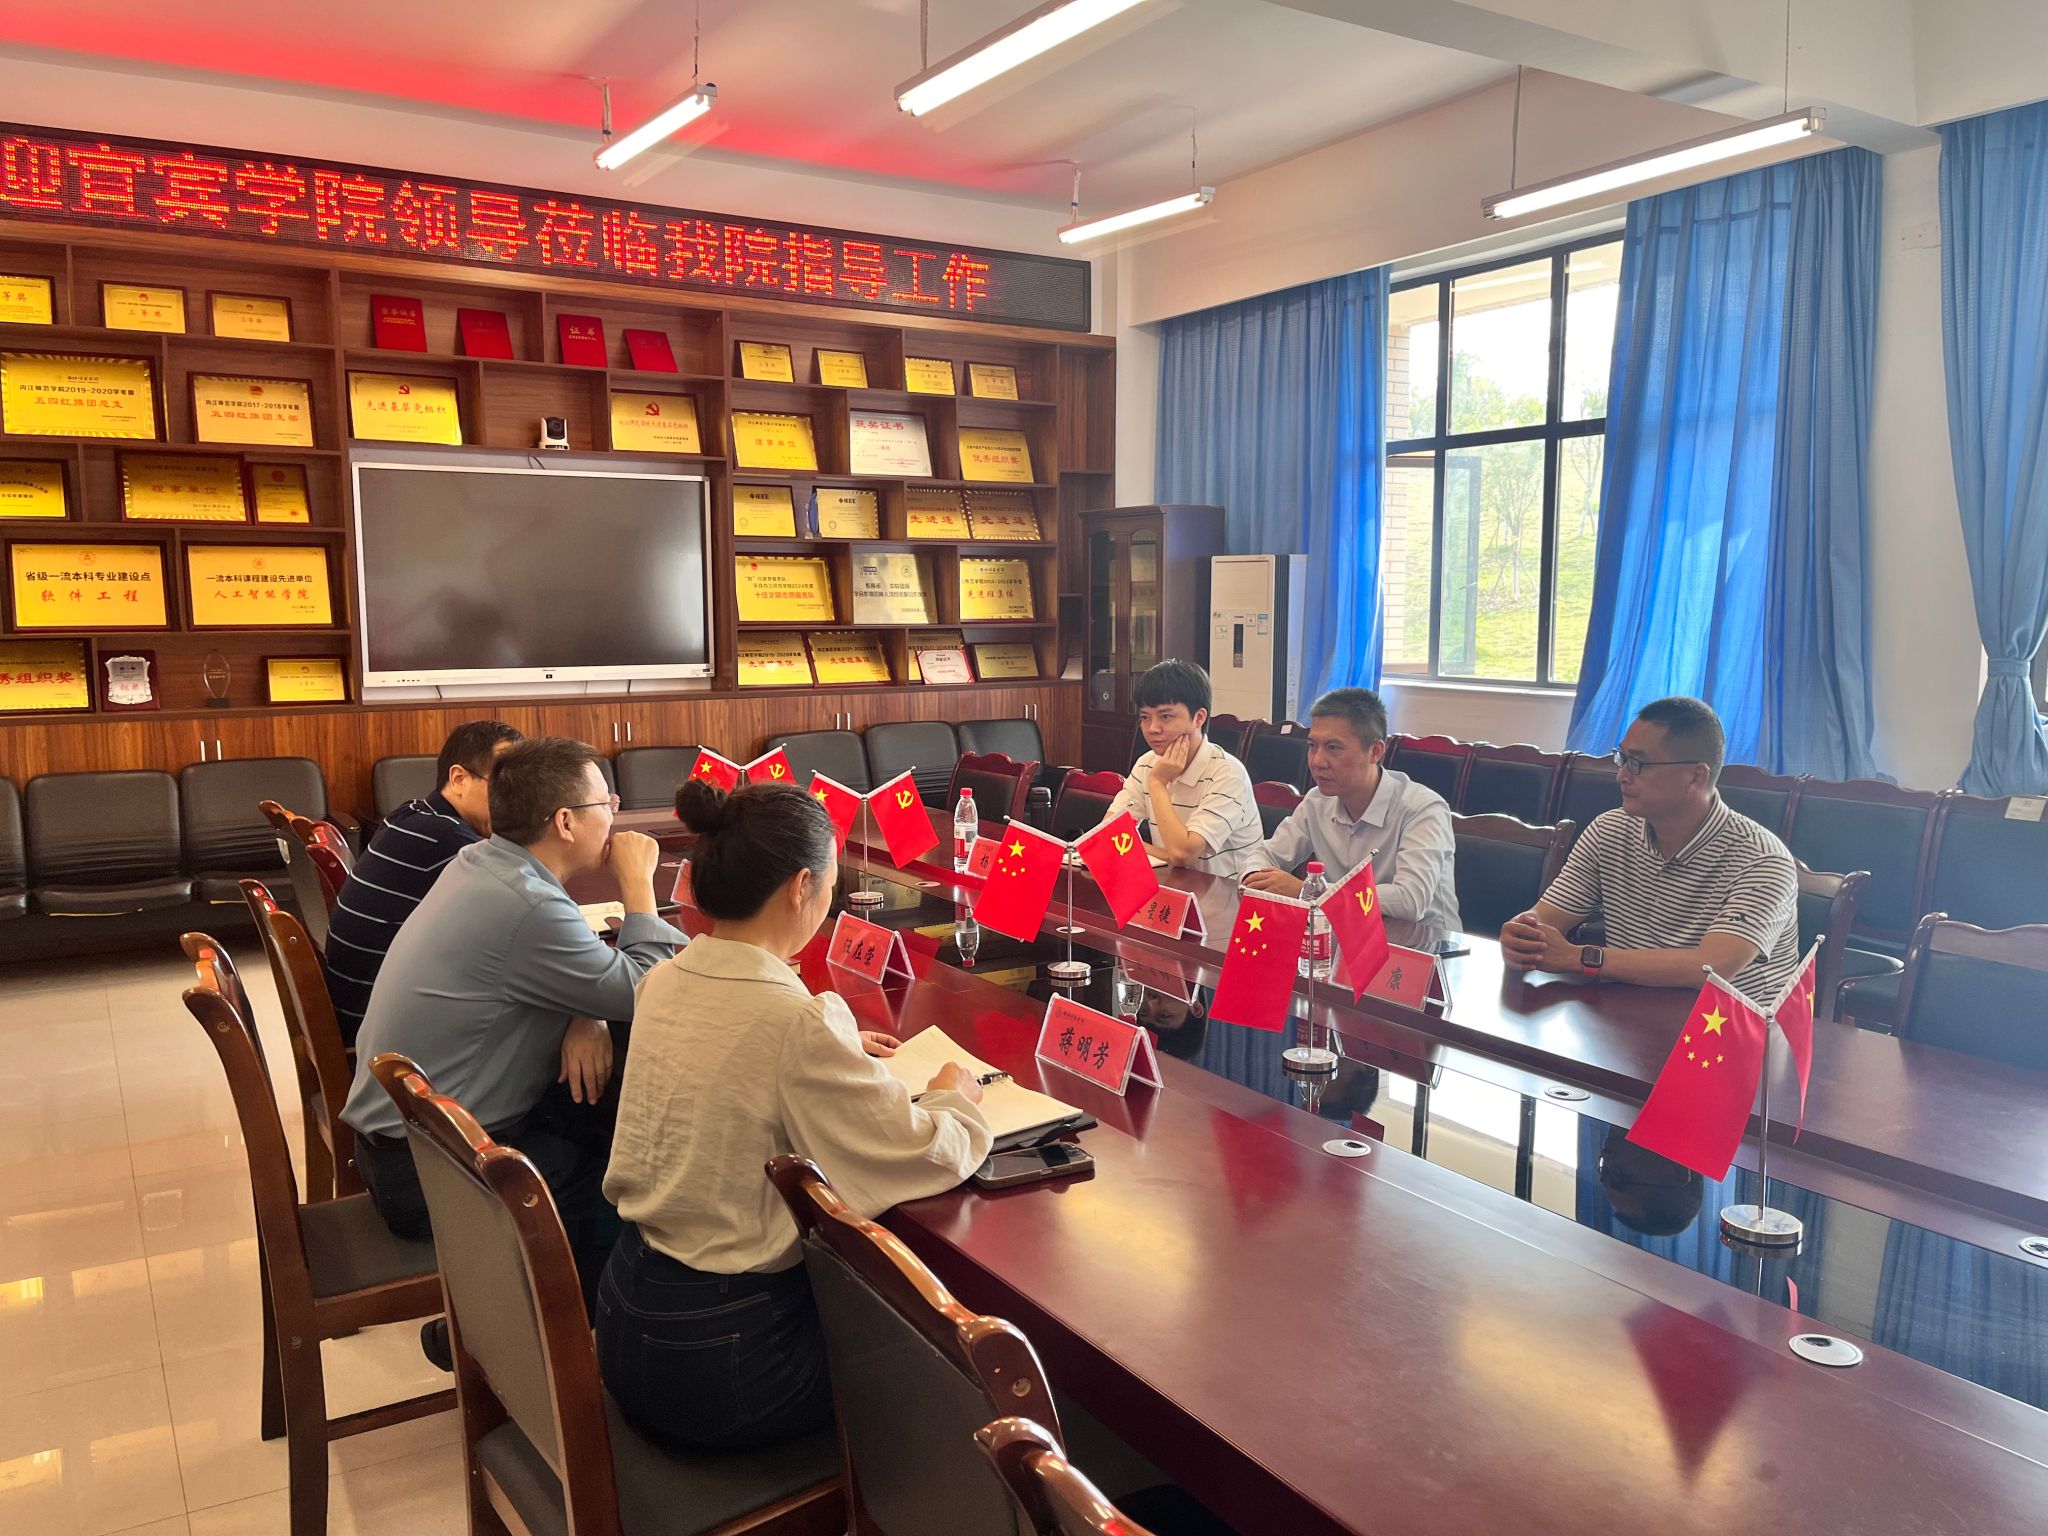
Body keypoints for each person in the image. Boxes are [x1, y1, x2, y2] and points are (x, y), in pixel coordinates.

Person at [598, 778, 991, 1453]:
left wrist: (832, 1048)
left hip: (626, 1311)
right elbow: (923, 1151)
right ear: (801, 886)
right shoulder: (794, 1020)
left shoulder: (662, 978)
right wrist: (955, 1095)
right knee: (958, 1381)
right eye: (832, 883)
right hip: (725, 1354)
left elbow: (741, 1053)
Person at [341, 736, 686, 1312]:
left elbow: (557, 968)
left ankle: (514, 1321)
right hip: (432, 1177)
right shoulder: (529, 906)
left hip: (403, 1147)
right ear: (566, 822)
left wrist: (585, 1010)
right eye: (607, 803)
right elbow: (645, 990)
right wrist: (638, 886)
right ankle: (557, 1329)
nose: (615, 815)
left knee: (601, 1109)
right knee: (628, 1171)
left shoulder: (482, 862)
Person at [1501, 697, 1800, 1001]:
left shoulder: (1763, 859)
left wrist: (1580, 958)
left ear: (1696, 777)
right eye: (1622, 758)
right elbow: (1548, 915)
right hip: (1627, 1011)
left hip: (1725, 1025)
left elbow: (1711, 967)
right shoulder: (1609, 830)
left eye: (1638, 764)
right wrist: (1525, 933)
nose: (1621, 775)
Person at [323, 720, 523, 1044]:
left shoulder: (413, 814)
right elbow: (526, 920)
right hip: (383, 1037)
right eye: (504, 785)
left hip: (360, 1008)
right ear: (459, 779)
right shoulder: (449, 841)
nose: (515, 801)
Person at [1243, 687, 1460, 929]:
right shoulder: (1317, 801)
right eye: (1312, 746)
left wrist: (1309, 891)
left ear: (1375, 752)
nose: (1317, 761)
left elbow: (1410, 901)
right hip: (1346, 933)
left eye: (1333, 748)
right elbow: (1266, 854)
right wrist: (1254, 878)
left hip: (1424, 944)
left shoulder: (1422, 809)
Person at [1096, 658, 1263, 877]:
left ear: (1199, 718)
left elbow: (1183, 854)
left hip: (1226, 894)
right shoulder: (1147, 763)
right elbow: (1108, 833)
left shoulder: (1228, 773)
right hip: (1173, 885)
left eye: (1166, 716)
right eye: (1145, 717)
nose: (1152, 728)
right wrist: (1168, 856)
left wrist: (1158, 783)